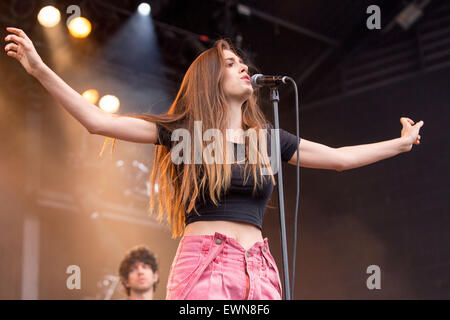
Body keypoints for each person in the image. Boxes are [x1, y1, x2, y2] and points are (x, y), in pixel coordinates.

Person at [4, 27, 424, 300]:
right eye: (231, 64)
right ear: (210, 80)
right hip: (207, 261)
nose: (244, 68)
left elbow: (338, 159)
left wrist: (400, 145)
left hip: (259, 266)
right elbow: (98, 122)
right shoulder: (183, 133)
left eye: (244, 64)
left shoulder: (268, 140)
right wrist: (41, 69)